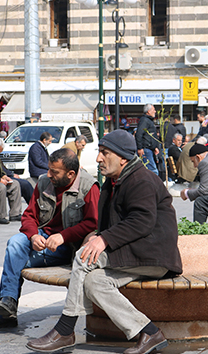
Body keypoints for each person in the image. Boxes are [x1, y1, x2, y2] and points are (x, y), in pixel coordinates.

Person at [26, 130, 182, 354]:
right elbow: (110, 223)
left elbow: (142, 221)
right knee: (94, 282)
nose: (98, 158)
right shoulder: (114, 180)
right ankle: (149, 332)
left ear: (123, 158)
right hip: (133, 253)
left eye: (104, 153)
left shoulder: (142, 179)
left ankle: (65, 330)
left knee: (83, 257)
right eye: (99, 152)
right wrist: (95, 236)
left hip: (152, 254)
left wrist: (103, 239)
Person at [0, 148, 99, 330]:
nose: (48, 174)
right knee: (15, 242)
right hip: (42, 238)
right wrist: (33, 235)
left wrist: (63, 237)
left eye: (54, 172)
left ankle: (7, 309)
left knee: (15, 259)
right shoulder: (43, 182)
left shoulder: (89, 186)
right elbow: (29, 216)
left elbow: (93, 223)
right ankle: (8, 301)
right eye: (49, 169)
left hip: (69, 247)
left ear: (71, 174)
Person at [135, 103, 161, 175]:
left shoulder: (148, 121)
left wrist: (154, 147)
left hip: (149, 149)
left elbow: (150, 136)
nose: (155, 111)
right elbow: (139, 134)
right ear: (149, 111)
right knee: (153, 171)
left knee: (151, 170)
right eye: (154, 109)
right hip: (145, 150)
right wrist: (140, 148)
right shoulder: (145, 120)